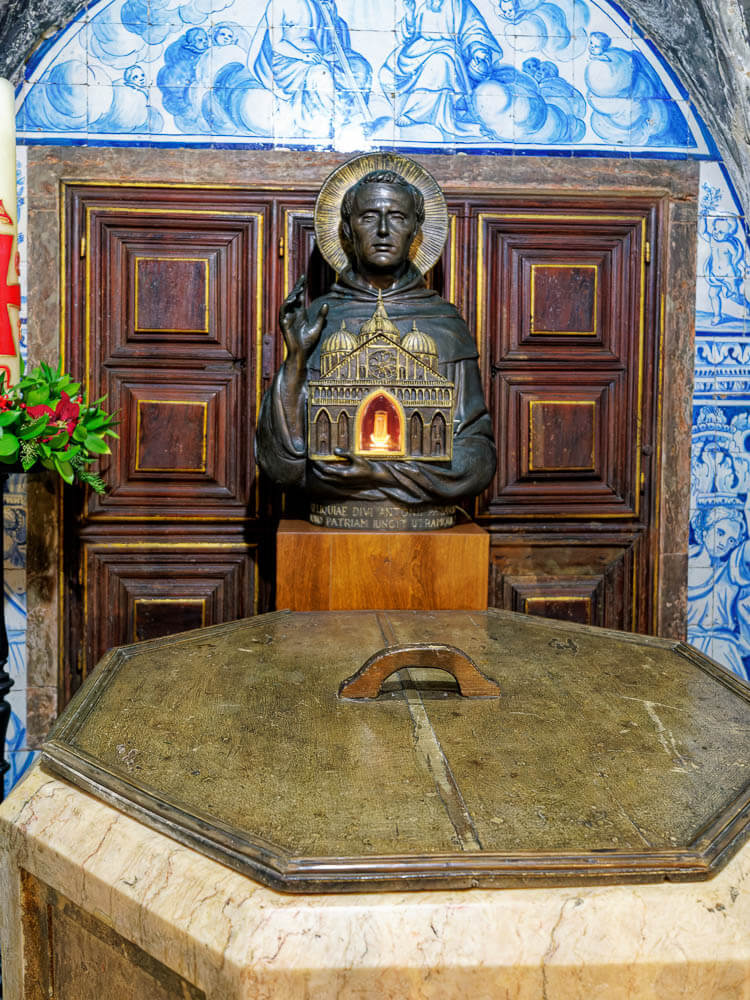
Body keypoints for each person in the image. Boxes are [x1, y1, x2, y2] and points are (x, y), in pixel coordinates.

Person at [255, 167, 496, 508]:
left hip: (423, 525)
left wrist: (382, 473)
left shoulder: (444, 322)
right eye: (369, 217)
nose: (383, 230)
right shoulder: (320, 318)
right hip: (333, 513)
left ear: (416, 229)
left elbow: (478, 453)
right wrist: (295, 360)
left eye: (397, 216)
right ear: (347, 230)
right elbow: (282, 465)